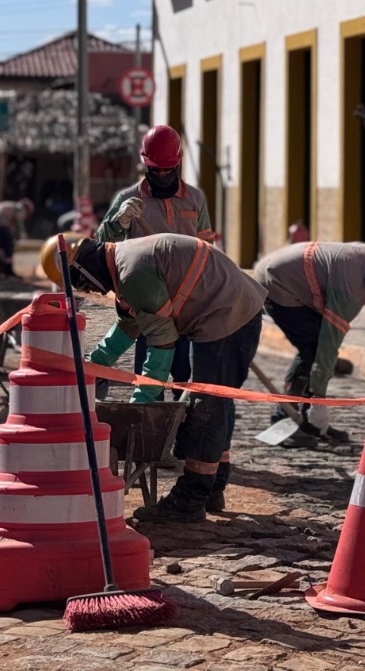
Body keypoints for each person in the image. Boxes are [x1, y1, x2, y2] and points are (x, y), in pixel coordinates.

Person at [65, 232, 265, 523]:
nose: (90, 290)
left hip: (229, 317)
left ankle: (191, 498)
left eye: (81, 283)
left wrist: (143, 404)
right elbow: (129, 325)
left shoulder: (133, 272)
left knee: (206, 408)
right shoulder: (125, 264)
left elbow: (162, 342)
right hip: (226, 313)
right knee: (211, 404)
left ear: (85, 266)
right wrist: (93, 367)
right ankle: (212, 489)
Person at [254, 242, 365, 446]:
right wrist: (320, 398)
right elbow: (328, 345)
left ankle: (306, 419)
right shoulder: (352, 293)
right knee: (313, 348)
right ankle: (283, 417)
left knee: (314, 346)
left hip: (285, 272)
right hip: (276, 281)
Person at [89, 126, 213, 395]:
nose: (162, 175)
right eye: (155, 170)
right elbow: (101, 245)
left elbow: (207, 249)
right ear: (145, 165)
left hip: (184, 302)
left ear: (178, 163)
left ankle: (182, 428)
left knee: (183, 375)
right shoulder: (128, 199)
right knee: (149, 374)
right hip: (146, 303)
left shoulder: (195, 200)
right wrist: (117, 222)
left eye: (168, 170)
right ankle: (147, 419)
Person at [0, 197, 32, 273]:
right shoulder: (20, 208)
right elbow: (19, 221)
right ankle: (7, 270)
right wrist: (22, 233)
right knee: (8, 245)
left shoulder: (11, 206)